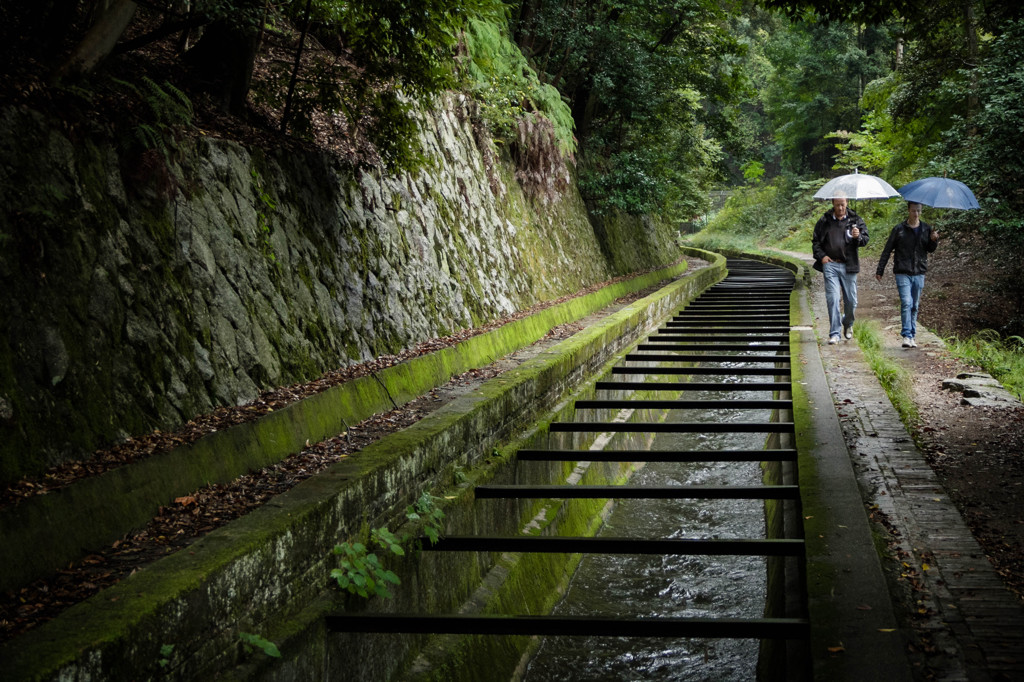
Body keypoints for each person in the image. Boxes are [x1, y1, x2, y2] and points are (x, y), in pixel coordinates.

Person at [875, 201, 939, 348]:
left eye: (918, 211)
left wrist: (934, 240)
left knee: (914, 305)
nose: (916, 214)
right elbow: (887, 249)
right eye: (913, 211)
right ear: (908, 211)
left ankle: (912, 335)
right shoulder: (899, 229)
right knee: (906, 302)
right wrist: (880, 269)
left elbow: (929, 249)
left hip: (919, 271)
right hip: (902, 271)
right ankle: (906, 335)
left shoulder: (926, 228)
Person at [812, 197, 869, 345]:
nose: (840, 208)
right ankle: (835, 333)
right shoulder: (824, 221)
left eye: (842, 205)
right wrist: (822, 256)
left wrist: (858, 236)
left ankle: (848, 323)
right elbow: (816, 241)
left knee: (851, 300)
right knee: (833, 298)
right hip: (830, 265)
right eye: (837, 205)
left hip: (849, 264)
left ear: (847, 203)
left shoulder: (855, 219)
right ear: (833, 204)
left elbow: (865, 239)